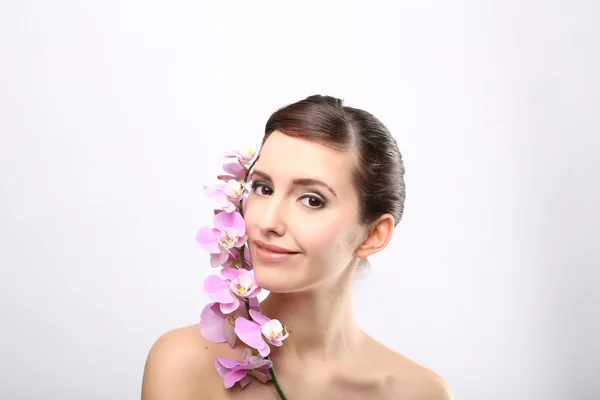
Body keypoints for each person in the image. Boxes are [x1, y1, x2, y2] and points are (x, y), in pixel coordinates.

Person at [141, 95, 453, 399]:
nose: (268, 221)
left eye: (312, 200)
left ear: (373, 235)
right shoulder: (183, 366)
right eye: (263, 188)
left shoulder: (420, 393)